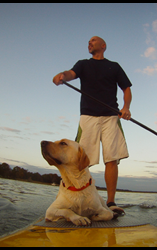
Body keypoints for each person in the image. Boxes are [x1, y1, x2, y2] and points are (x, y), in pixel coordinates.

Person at [52, 36, 132, 213]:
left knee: (112, 159)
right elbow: (71, 74)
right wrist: (62, 76)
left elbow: (126, 88)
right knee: (80, 159)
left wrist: (126, 107)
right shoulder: (83, 64)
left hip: (111, 117)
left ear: (103, 46)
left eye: (93, 40)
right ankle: (73, 197)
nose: (89, 42)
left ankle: (110, 202)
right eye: (88, 41)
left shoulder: (114, 66)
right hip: (88, 116)